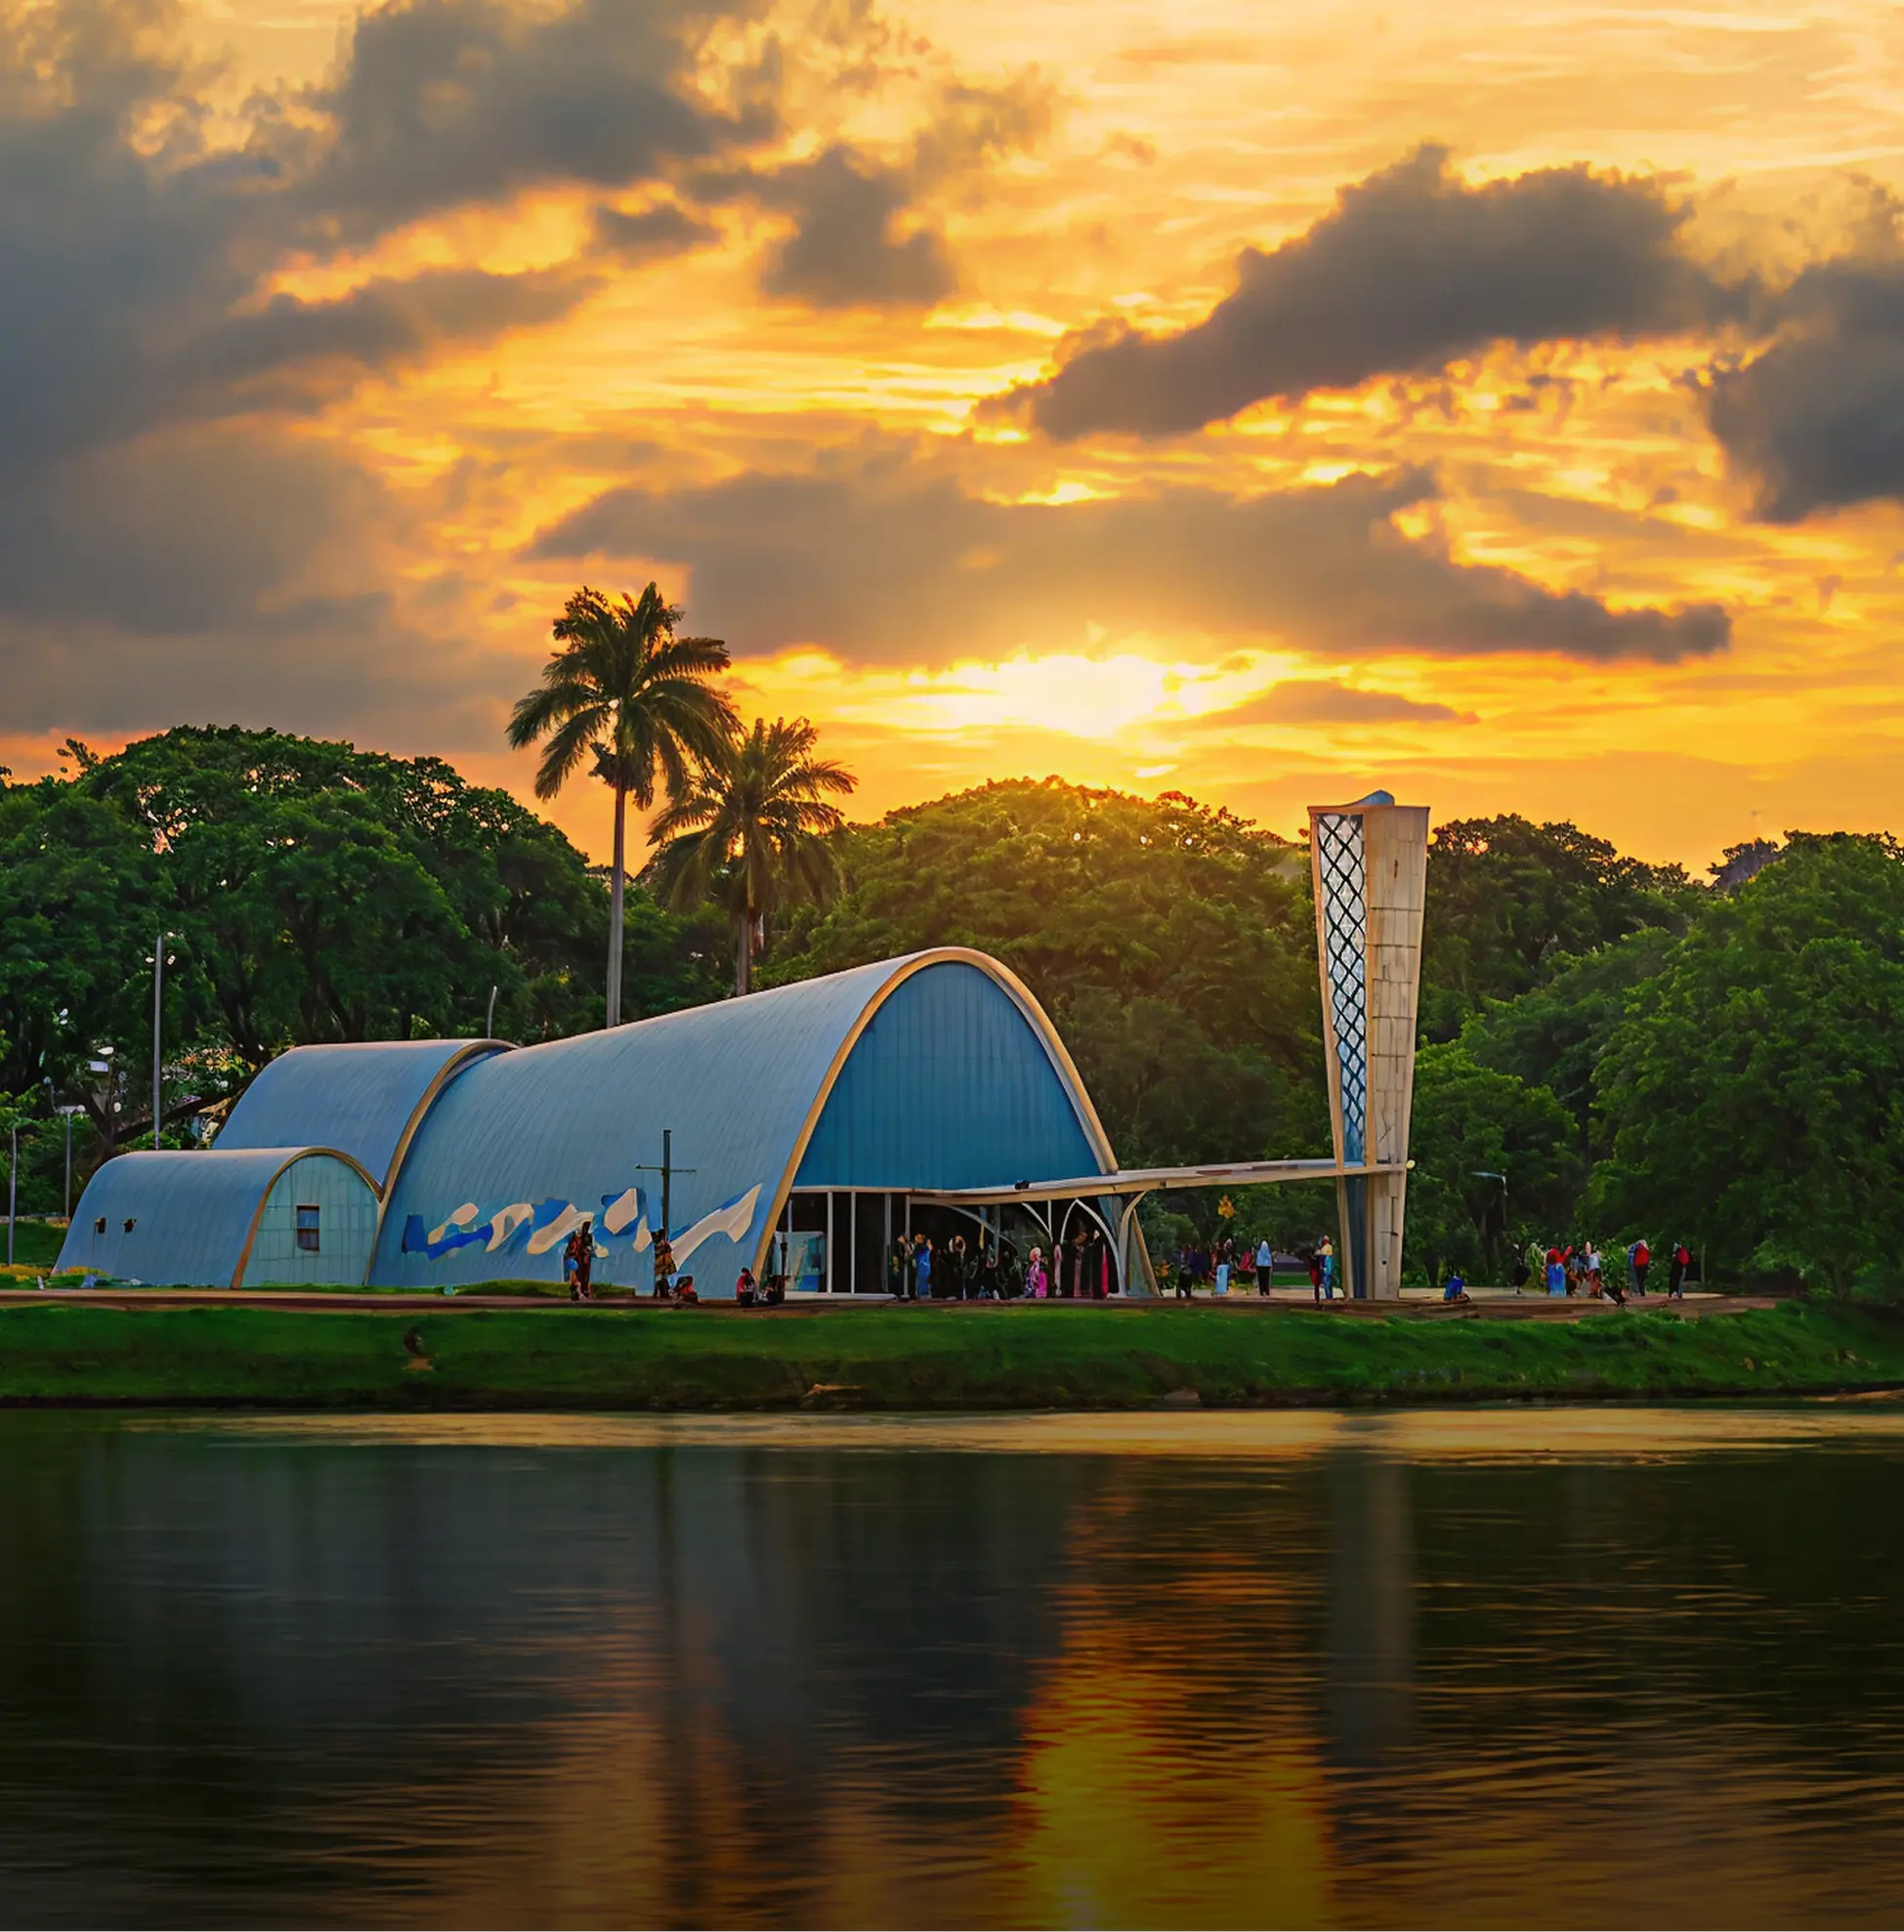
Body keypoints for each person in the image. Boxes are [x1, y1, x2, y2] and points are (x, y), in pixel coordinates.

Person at [573, 1219, 595, 1300]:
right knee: (582, 1275)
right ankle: (582, 1291)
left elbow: (589, 1246)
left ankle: (584, 1291)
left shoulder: (586, 1237)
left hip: (584, 1257)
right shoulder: (584, 1237)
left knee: (584, 1275)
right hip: (582, 1257)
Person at [914, 1236, 934, 1301]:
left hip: (924, 1268)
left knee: (923, 1282)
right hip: (924, 1268)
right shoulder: (923, 1249)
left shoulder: (923, 1249)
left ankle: (922, 1294)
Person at [1319, 1236, 1335, 1300]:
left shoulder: (1324, 1248)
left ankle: (1328, 1298)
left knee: (1326, 1284)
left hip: (1326, 1269)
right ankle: (1330, 1297)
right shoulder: (1330, 1247)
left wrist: (1322, 1267)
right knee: (1329, 1284)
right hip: (1330, 1268)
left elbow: (1323, 1259)